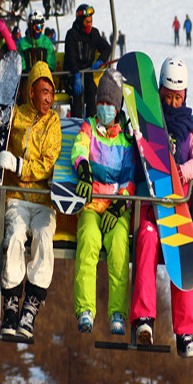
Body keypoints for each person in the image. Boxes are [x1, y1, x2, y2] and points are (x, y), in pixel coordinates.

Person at [131, 56, 193, 358]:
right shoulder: (150, 125)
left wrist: (182, 171)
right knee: (147, 238)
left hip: (176, 210)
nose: (173, 103)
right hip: (151, 208)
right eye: (168, 97)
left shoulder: (189, 133)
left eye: (178, 98)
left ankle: (185, 332)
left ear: (185, 96)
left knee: (181, 250)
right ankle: (144, 318)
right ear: (160, 93)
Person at [0, 61, 62, 339]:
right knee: (13, 236)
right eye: (43, 92)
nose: (48, 99)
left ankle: (31, 303)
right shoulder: (16, 116)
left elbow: (49, 163)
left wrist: (19, 166)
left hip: (44, 200)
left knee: (44, 237)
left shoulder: (53, 123)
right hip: (16, 197)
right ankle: (11, 303)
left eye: (51, 93)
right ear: (31, 92)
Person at [72, 69, 135, 336]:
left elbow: (129, 177)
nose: (104, 108)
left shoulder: (125, 140)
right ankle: (85, 308)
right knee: (88, 240)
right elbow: (80, 146)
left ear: (117, 107)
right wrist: (83, 168)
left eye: (109, 103)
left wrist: (121, 204)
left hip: (115, 206)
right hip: (91, 202)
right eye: (101, 102)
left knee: (119, 245)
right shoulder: (90, 126)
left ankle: (117, 312)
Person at [64, 4, 111, 119]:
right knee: (77, 94)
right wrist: (76, 74)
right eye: (87, 22)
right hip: (73, 75)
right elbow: (70, 57)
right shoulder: (72, 35)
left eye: (91, 21)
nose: (89, 25)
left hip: (88, 73)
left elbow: (107, 48)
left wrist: (100, 60)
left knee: (92, 90)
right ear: (81, 21)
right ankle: (76, 122)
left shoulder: (94, 34)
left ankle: (91, 121)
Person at [18, 11, 56, 75]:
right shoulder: (23, 44)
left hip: (44, 76)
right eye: (36, 27)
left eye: (41, 27)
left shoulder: (46, 42)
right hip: (28, 76)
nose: (38, 30)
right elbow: (21, 64)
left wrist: (48, 71)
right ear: (30, 26)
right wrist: (25, 72)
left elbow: (51, 63)